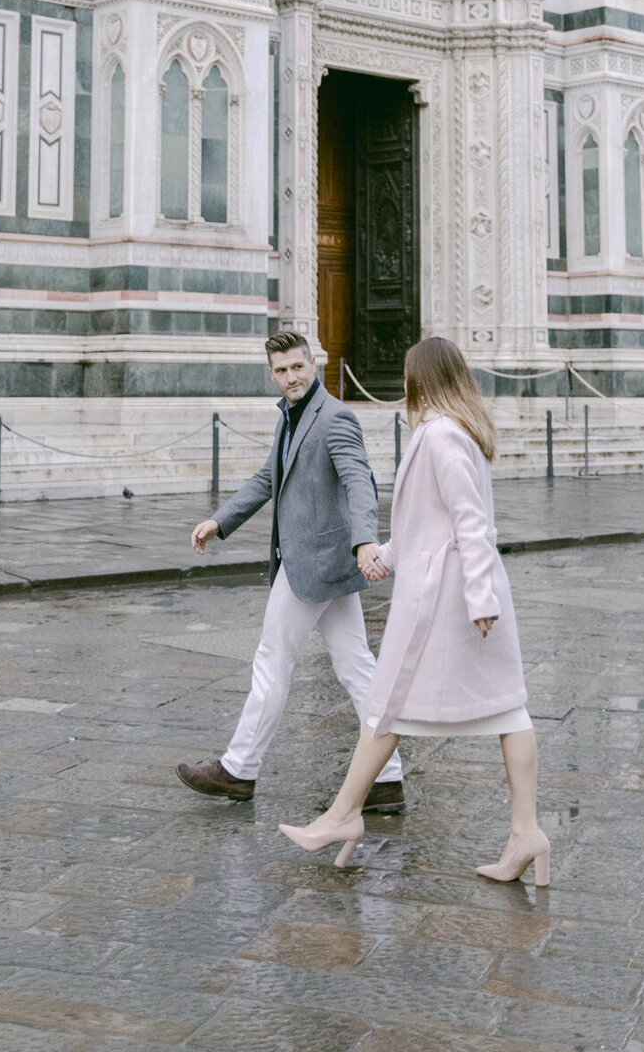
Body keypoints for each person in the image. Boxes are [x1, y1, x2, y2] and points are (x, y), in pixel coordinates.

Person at [278, 336, 548, 885]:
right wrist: (387, 554)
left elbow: (470, 524)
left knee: (390, 702)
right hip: (453, 586)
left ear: (419, 379)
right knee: (501, 707)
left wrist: (479, 598)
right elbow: (434, 524)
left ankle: (343, 816)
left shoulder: (442, 437)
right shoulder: (452, 432)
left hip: (447, 597)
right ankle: (526, 833)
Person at [177, 330, 405, 812]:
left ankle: (239, 769)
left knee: (272, 658)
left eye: (296, 368)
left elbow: (360, 482)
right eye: (280, 371)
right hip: (325, 562)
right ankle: (387, 778)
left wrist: (365, 540)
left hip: (314, 562)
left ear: (314, 363)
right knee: (356, 666)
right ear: (272, 374)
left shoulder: (335, 416)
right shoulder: (290, 417)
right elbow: (269, 477)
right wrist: (220, 521)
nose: (290, 378)